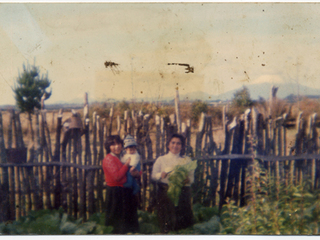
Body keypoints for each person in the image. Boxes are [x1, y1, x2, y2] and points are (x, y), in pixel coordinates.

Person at [151, 133, 195, 233]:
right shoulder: (161, 159)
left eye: (178, 143)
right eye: (173, 143)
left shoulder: (187, 160)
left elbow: (192, 178)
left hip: (182, 193)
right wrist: (160, 175)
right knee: (167, 219)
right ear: (168, 145)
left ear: (182, 146)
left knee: (182, 222)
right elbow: (153, 175)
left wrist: (188, 180)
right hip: (165, 193)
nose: (175, 146)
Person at [102, 135, 139, 234]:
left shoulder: (122, 156)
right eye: (113, 144)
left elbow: (136, 170)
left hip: (125, 191)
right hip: (115, 192)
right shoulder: (109, 159)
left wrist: (137, 173)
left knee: (127, 220)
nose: (117, 146)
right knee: (117, 221)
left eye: (118, 143)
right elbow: (117, 177)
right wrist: (126, 165)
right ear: (108, 146)